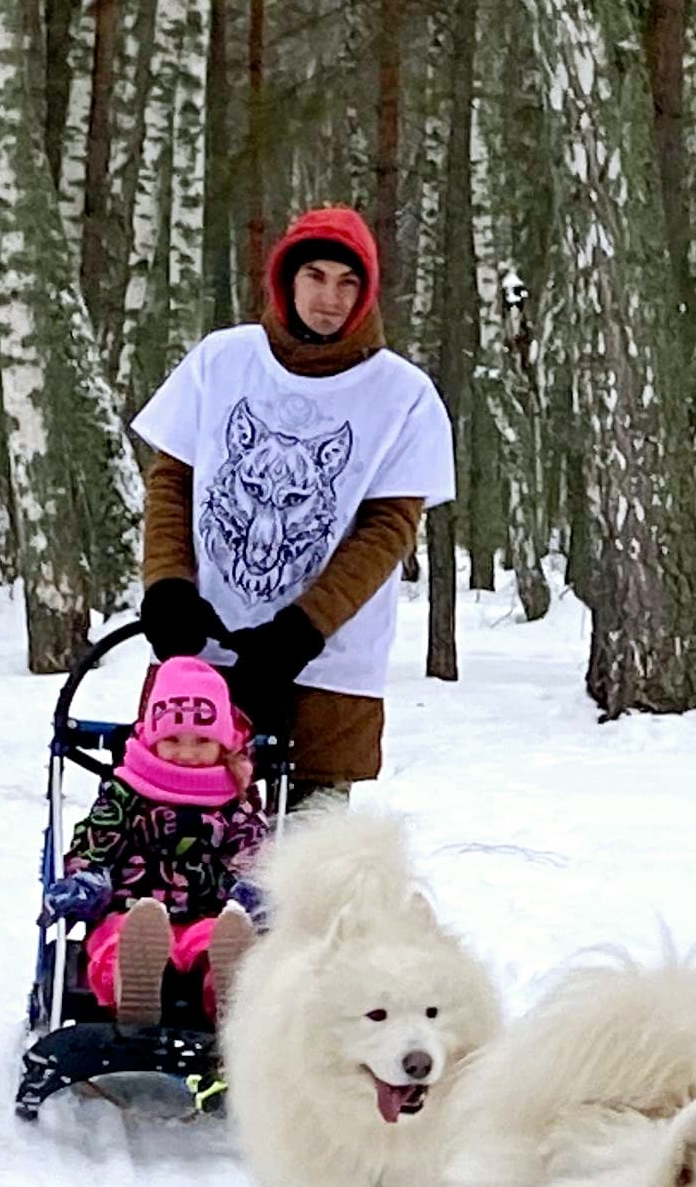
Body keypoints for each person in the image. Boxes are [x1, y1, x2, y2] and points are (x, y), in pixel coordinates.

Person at [130, 203, 454, 803]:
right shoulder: (221, 362)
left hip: (325, 664)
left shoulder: (403, 396)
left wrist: (304, 628)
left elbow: (388, 529)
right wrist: (167, 585)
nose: (330, 298)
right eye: (316, 277)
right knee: (173, 843)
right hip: (203, 651)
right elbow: (173, 479)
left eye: (348, 282)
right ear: (287, 279)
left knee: (307, 865)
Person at [61, 657, 268, 1029]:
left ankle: (228, 998)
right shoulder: (126, 791)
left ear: (223, 744)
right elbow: (95, 840)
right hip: (128, 911)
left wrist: (254, 889)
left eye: (202, 741)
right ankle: (134, 994)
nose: (186, 753)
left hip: (211, 915)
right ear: (151, 736)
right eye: (172, 739)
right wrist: (88, 878)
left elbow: (250, 850)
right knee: (117, 945)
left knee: (220, 944)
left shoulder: (234, 798)